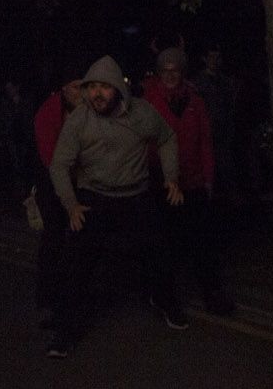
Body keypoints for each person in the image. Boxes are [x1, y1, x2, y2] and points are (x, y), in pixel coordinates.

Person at [48, 55, 185, 357]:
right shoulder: (79, 120)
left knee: (158, 248)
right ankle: (64, 331)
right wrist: (71, 205)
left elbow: (167, 137)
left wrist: (171, 177)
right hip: (94, 196)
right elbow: (59, 164)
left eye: (105, 87)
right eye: (92, 87)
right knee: (77, 262)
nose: (97, 94)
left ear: (118, 90)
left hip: (135, 194)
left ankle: (164, 299)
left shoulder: (141, 114)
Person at [146, 49, 234, 314]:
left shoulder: (195, 101)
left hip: (193, 180)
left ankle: (212, 293)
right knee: (167, 243)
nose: (170, 75)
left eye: (175, 70)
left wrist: (208, 178)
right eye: (165, 70)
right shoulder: (150, 101)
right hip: (162, 181)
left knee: (202, 242)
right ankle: (164, 295)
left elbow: (205, 142)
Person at [31, 69, 84, 313]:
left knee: (75, 237)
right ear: (64, 88)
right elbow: (50, 156)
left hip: (79, 180)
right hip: (52, 181)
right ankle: (46, 293)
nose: (81, 92)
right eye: (76, 86)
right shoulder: (49, 112)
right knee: (54, 235)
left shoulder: (85, 109)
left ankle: (71, 291)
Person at [191, 47, 241, 201]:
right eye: (211, 57)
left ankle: (230, 195)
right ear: (205, 59)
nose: (215, 61)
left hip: (224, 127)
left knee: (225, 160)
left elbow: (231, 104)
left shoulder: (226, 82)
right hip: (206, 128)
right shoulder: (198, 82)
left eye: (217, 57)